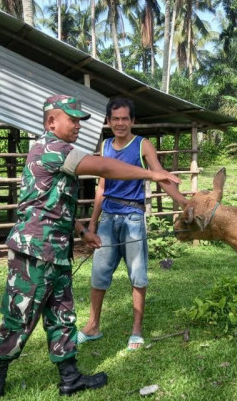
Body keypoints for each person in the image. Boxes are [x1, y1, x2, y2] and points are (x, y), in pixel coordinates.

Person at [0, 94, 181, 401]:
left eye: (79, 121)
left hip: (56, 250)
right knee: (20, 316)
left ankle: (70, 377)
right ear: (52, 122)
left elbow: (54, 202)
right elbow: (103, 168)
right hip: (34, 251)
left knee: (62, 314)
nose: (77, 126)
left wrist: (83, 231)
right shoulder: (51, 149)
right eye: (72, 120)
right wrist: (151, 173)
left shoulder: (58, 152)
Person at [78, 97, 187, 351]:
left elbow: (160, 176)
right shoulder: (105, 146)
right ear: (108, 121)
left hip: (133, 217)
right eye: (115, 119)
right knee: (99, 273)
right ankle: (93, 326)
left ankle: (136, 331)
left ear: (132, 120)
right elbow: (101, 186)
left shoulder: (142, 145)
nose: (120, 123)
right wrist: (93, 222)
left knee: (137, 274)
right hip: (108, 217)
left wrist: (183, 202)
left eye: (125, 118)